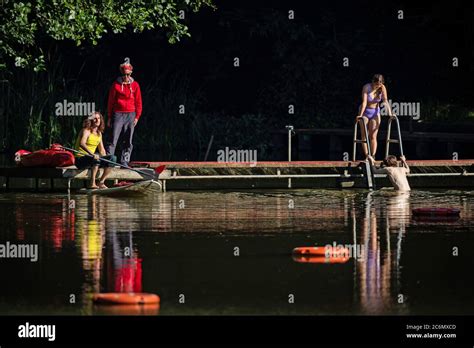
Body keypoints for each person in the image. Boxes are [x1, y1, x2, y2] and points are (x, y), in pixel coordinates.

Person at [106, 57, 143, 167]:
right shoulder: (116, 85)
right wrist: (109, 117)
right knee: (113, 138)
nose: (126, 77)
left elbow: (139, 102)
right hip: (118, 113)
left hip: (131, 114)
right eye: (124, 74)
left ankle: (124, 161)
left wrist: (137, 117)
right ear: (121, 72)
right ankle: (109, 160)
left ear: (131, 73)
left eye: (128, 74)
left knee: (128, 140)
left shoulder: (135, 85)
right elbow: (110, 102)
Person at [75, 112, 117, 189]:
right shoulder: (86, 131)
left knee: (113, 158)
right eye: (95, 118)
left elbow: (102, 150)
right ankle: (92, 184)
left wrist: (106, 160)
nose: (97, 120)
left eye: (98, 118)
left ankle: (101, 182)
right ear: (90, 120)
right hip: (80, 159)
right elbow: (82, 143)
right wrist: (92, 154)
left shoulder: (99, 133)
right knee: (95, 158)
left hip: (91, 159)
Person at [356, 74, 393, 159]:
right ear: (373, 81)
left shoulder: (382, 87)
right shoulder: (366, 87)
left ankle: (372, 156)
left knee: (373, 136)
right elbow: (364, 102)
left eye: (379, 84)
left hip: (375, 112)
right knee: (364, 135)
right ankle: (367, 156)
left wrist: (390, 113)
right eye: (376, 84)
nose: (377, 86)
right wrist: (360, 115)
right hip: (365, 111)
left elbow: (385, 101)